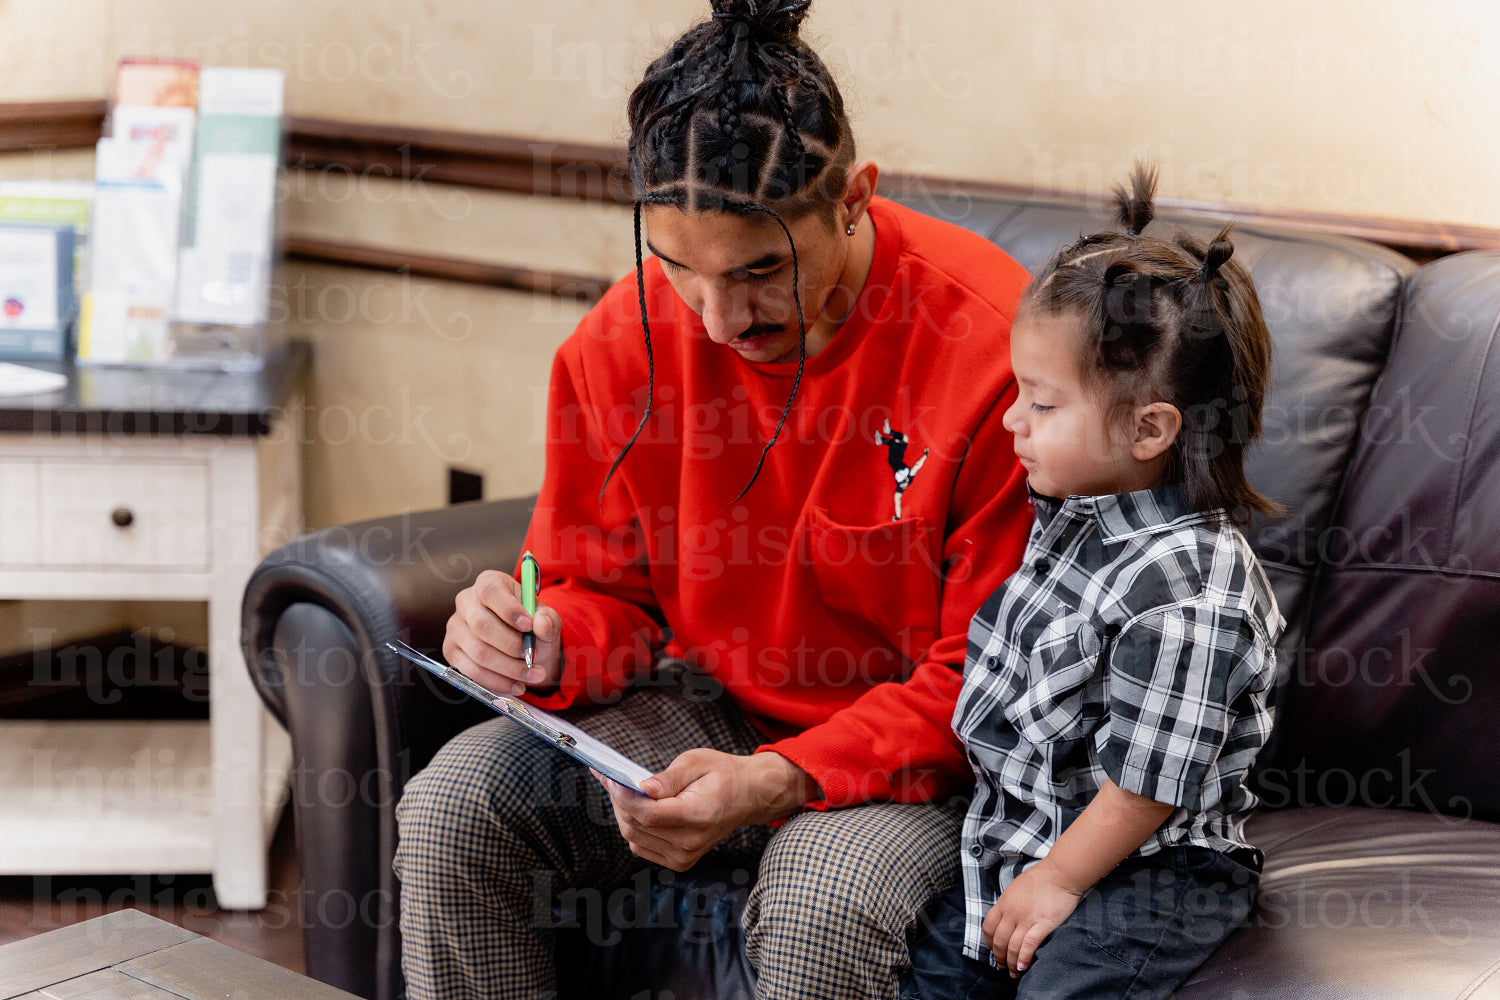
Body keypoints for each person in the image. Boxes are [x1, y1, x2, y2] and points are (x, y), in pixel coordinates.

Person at [391, 1, 1036, 998]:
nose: (723, 320)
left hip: (918, 760)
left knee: (821, 899)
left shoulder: (993, 350)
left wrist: (782, 777)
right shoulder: (617, 344)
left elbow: (990, 683)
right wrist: (547, 634)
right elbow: (600, 590)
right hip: (715, 712)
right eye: (681, 269)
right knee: (455, 807)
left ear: (855, 199)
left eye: (763, 270)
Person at [899, 164, 1285, 1000]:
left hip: (1154, 870)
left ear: (1150, 429)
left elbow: (1148, 787)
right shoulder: (1076, 515)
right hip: (1029, 832)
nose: (1012, 421)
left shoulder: (1193, 589)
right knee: (929, 978)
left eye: (1041, 403)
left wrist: (1058, 881)